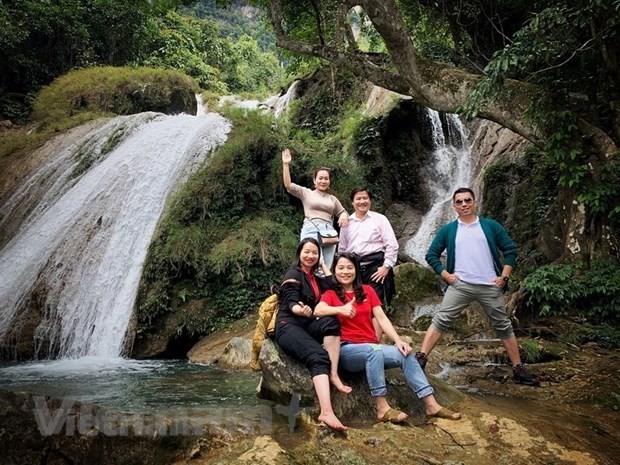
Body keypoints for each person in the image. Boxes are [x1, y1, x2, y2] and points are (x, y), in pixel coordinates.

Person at [315, 253, 461, 423]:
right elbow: (318, 310)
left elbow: (382, 318)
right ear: (334, 270)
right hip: (347, 350)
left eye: (350, 267)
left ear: (356, 270)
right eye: (341, 268)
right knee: (374, 351)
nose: (345, 271)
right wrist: (340, 310)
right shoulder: (331, 294)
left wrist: (398, 341)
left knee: (406, 353)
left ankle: (431, 405)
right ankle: (382, 408)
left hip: (371, 346)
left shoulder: (367, 291)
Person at [418, 187, 539, 386]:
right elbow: (431, 255)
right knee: (441, 319)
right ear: (454, 206)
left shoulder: (490, 226)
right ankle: (421, 358)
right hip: (460, 285)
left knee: (503, 325)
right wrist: (446, 275)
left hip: (489, 286)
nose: (464, 204)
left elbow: (510, 250)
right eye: (459, 202)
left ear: (475, 202)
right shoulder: (448, 230)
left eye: (467, 200)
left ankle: (518, 368)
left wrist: (504, 277)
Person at [274, 237, 351, 431]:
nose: (310, 256)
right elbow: (291, 301)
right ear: (299, 253)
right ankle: (326, 411)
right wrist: (300, 310)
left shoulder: (315, 278)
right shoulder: (293, 273)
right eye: (306, 252)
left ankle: (333, 374)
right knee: (318, 356)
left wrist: (324, 264)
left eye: (314, 253)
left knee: (331, 321)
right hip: (288, 325)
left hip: (307, 326)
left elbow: (334, 285)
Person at [282, 148, 348, 269]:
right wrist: (286, 164)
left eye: (326, 178)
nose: (323, 181)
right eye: (320, 178)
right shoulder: (306, 193)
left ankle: (324, 288)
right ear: (314, 180)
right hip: (311, 229)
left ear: (329, 182)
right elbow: (288, 185)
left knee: (326, 267)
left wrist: (343, 215)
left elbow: (343, 212)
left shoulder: (333, 199)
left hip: (329, 232)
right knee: (311, 264)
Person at [338, 186, 398, 307]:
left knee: (377, 303)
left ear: (370, 200)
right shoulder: (346, 223)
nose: (362, 201)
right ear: (352, 202)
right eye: (358, 199)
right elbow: (342, 249)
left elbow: (392, 244)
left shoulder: (380, 219)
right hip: (354, 268)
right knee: (357, 302)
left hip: (376, 267)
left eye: (365, 198)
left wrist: (386, 267)